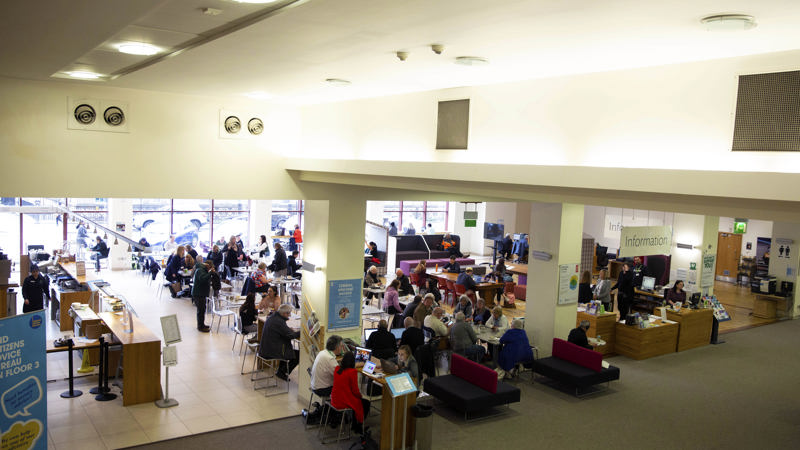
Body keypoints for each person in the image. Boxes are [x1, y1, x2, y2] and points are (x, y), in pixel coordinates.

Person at [331, 352, 370, 434]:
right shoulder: (352, 372)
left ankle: (355, 424)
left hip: (335, 399)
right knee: (365, 403)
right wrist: (360, 396)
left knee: (358, 402)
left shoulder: (337, 369)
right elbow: (355, 391)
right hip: (343, 400)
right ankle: (358, 426)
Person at [259, 304, 300, 381]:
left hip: (266, 348)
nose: (289, 315)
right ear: (284, 313)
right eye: (289, 313)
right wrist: (301, 332)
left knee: (288, 349)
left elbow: (282, 331)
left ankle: (281, 371)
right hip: (271, 351)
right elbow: (291, 336)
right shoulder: (279, 322)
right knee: (298, 354)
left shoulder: (273, 317)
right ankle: (283, 372)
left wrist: (287, 329)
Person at [191, 259, 214, 332]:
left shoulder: (202, 270)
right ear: (208, 266)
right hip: (198, 294)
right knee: (200, 311)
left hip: (201, 293)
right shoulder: (200, 270)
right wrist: (210, 273)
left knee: (202, 310)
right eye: (210, 268)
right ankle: (200, 326)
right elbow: (203, 279)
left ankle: (202, 324)